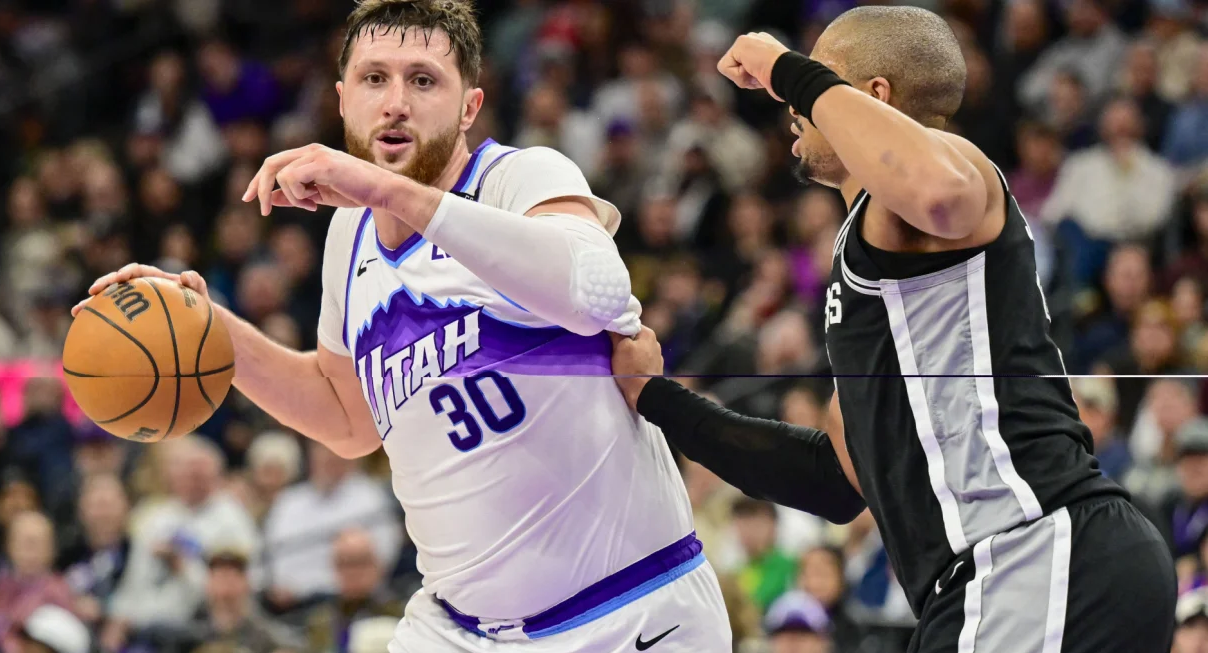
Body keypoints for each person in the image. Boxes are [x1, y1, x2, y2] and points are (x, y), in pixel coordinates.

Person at [72, 0, 730, 651]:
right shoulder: (349, 236)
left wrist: (387, 191)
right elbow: (347, 417)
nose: (395, 102)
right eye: (374, 78)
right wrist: (206, 326)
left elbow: (598, 291)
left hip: (630, 612)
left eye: (422, 80)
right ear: (340, 99)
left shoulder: (519, 176)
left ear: (469, 106)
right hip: (458, 630)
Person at [610, 8, 1176, 652]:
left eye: (817, 83)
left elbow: (938, 191)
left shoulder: (949, 170)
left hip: (1031, 551)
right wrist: (656, 398)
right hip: (1014, 571)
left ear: (874, 96)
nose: (789, 106)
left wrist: (781, 65)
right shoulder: (879, 267)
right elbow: (833, 479)